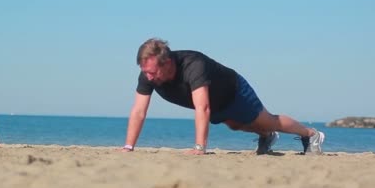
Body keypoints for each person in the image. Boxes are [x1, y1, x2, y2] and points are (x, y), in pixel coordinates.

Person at [121, 38, 324, 155]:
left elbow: (203, 108)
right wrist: (128, 147)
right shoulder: (148, 73)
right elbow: (139, 111)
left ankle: (311, 134)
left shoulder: (193, 65)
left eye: (152, 72)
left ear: (167, 63)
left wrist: (199, 148)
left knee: (269, 121)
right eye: (144, 71)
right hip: (218, 105)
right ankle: (267, 136)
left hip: (234, 92)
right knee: (235, 125)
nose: (148, 77)